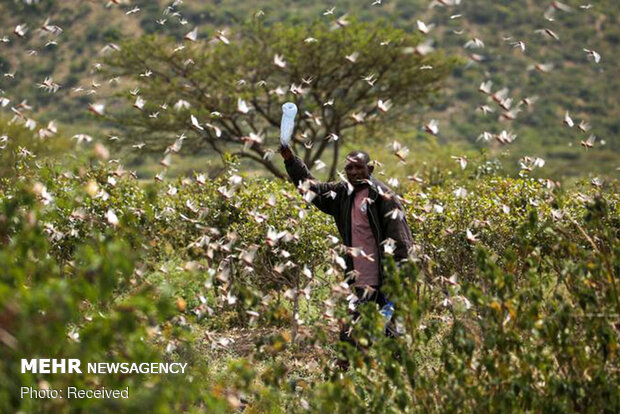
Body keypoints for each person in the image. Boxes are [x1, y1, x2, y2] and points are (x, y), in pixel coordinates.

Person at [279, 145, 413, 368]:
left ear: (369, 168)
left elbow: (401, 240)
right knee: (357, 330)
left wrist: (398, 277)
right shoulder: (343, 194)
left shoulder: (383, 197)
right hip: (359, 278)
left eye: (358, 167)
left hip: (386, 277)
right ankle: (351, 380)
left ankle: (388, 378)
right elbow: (314, 190)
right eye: (349, 168)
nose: (353, 172)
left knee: (387, 332)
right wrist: (291, 161)